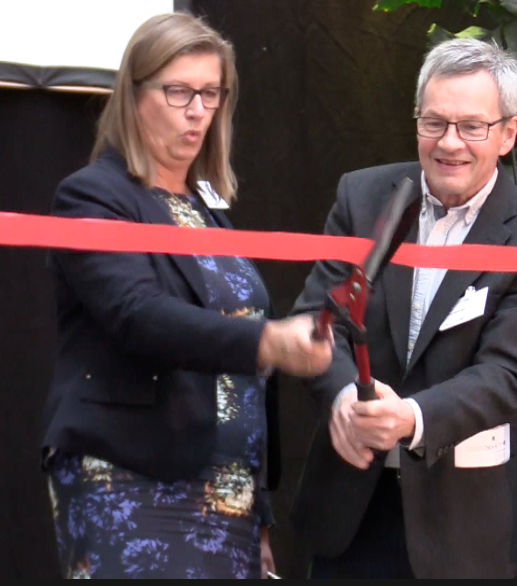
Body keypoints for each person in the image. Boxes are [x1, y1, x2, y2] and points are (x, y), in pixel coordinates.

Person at [41, 12, 333, 580]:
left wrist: (257, 510)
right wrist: (269, 341)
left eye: (211, 93)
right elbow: (138, 316)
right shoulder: (90, 196)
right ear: (133, 94)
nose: (198, 111)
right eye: (179, 92)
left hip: (230, 500)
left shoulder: (207, 213)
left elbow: (236, 388)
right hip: (129, 477)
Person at [289, 37, 517, 579]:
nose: (450, 143)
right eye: (434, 123)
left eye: (472, 126)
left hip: (468, 526)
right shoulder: (363, 197)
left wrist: (411, 419)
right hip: (352, 509)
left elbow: (508, 374)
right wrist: (344, 400)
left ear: (509, 133)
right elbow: (317, 319)